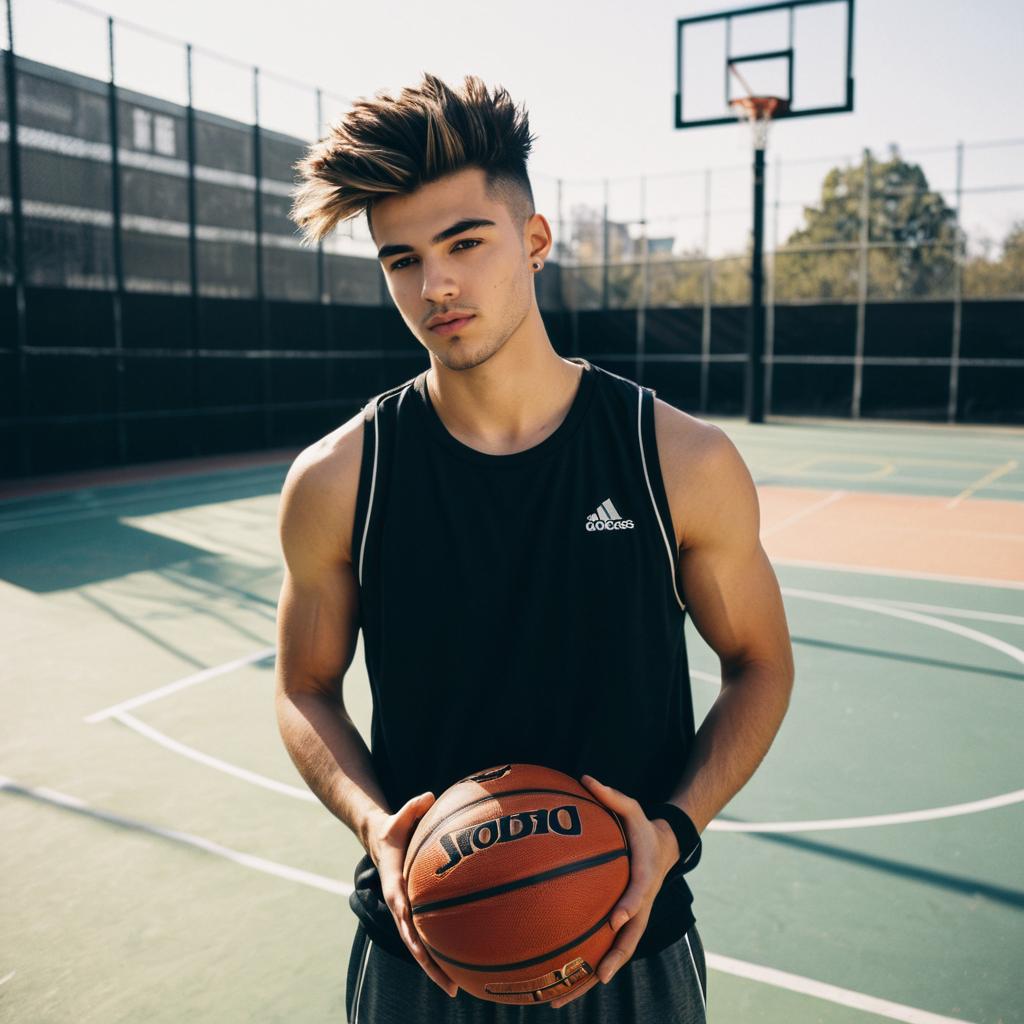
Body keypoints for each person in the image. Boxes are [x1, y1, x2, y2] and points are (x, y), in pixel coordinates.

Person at [276, 72, 794, 1023]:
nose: (435, 284)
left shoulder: (676, 457)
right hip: (423, 939)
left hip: (625, 933)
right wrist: (374, 826)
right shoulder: (340, 479)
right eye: (402, 260)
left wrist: (673, 831)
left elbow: (759, 664)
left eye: (465, 242)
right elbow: (303, 685)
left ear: (536, 241)